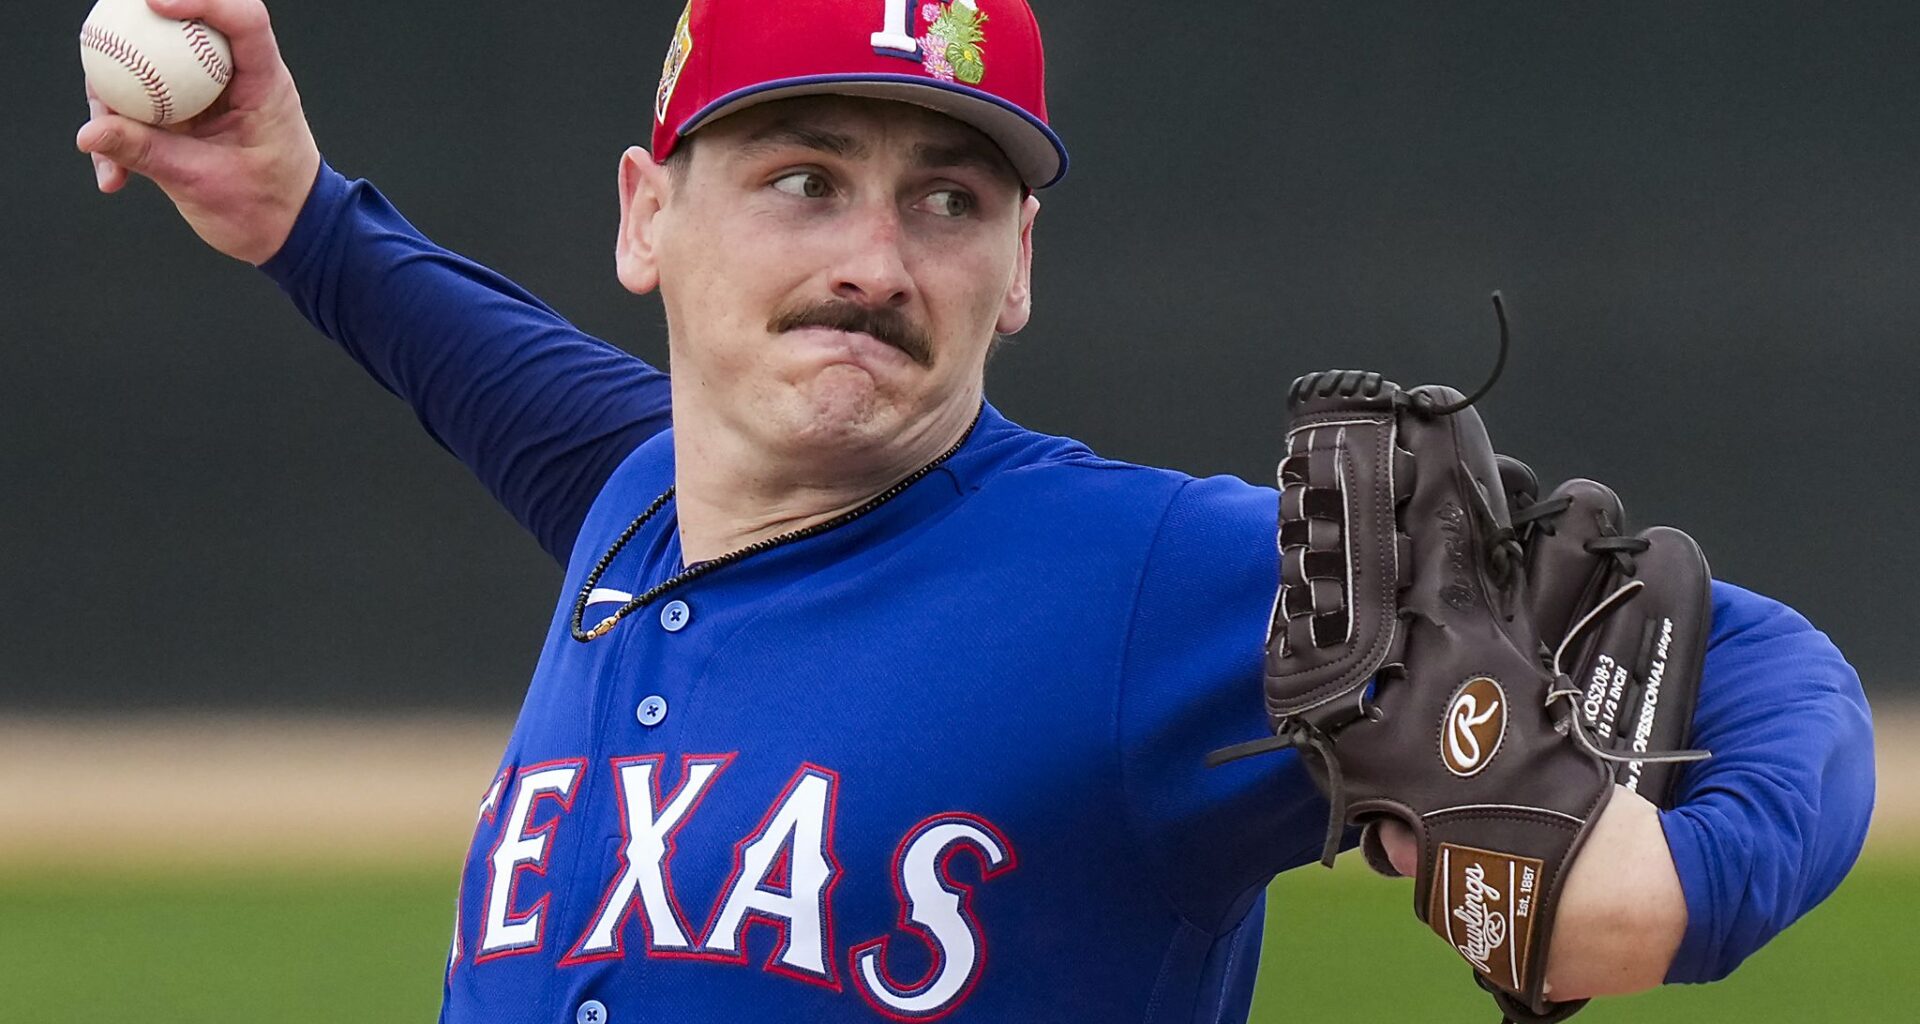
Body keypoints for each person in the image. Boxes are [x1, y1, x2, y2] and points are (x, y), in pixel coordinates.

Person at [78, 1, 1874, 1021]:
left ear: (1019, 268)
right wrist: (300, 212)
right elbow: (490, 370)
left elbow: (1776, 657)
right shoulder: (644, 501)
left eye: (948, 200)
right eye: (801, 181)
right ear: (648, 222)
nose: (872, 259)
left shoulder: (1143, 588)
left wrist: (1684, 896)